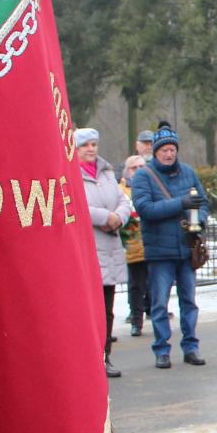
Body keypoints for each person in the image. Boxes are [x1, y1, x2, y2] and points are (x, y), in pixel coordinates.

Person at [131, 125, 208, 370]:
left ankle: (191, 347)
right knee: (159, 303)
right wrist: (180, 203)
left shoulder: (188, 172)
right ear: (155, 152)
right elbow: (145, 209)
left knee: (189, 301)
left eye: (172, 149)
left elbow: (203, 202)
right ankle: (162, 349)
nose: (169, 154)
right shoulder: (144, 176)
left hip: (186, 248)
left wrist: (200, 220)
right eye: (164, 150)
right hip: (160, 252)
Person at [78, 128, 131, 379]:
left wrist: (117, 217)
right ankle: (88, 357)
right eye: (85, 145)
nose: (91, 149)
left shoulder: (107, 172)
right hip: (89, 248)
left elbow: (123, 201)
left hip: (110, 246)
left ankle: (105, 355)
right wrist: (103, 217)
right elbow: (75, 204)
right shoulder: (71, 173)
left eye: (93, 144)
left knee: (107, 309)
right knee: (88, 310)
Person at [123, 131, 154, 336]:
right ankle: (136, 319)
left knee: (156, 282)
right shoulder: (122, 190)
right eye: (134, 168)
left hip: (153, 241)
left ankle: (156, 312)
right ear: (127, 171)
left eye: (142, 167)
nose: (139, 171)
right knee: (136, 285)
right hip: (133, 244)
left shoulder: (153, 186)